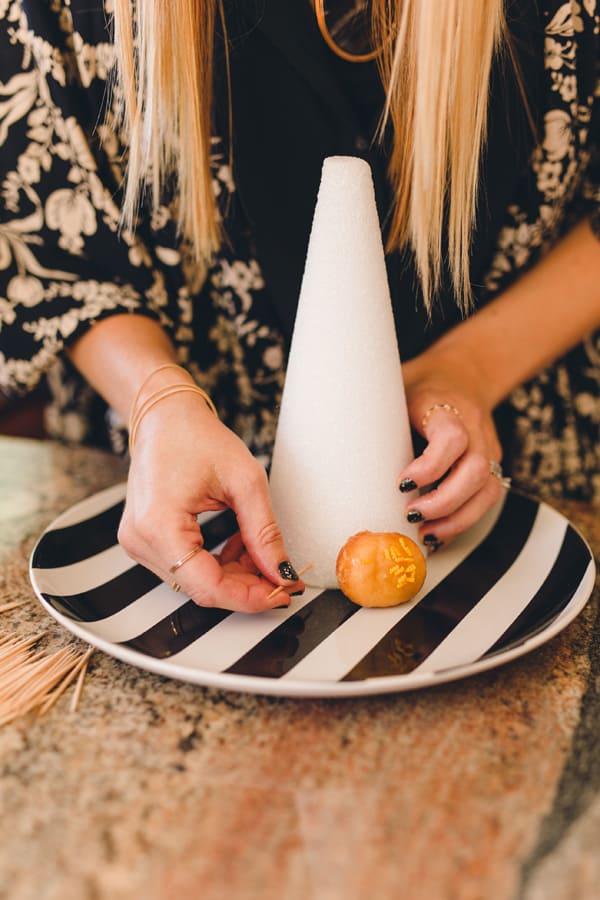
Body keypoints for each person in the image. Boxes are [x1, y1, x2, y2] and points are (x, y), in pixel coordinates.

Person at [0, 0, 599, 612]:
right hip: (178, 513)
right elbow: (39, 220)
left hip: (509, 503)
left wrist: (473, 367)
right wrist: (157, 402)